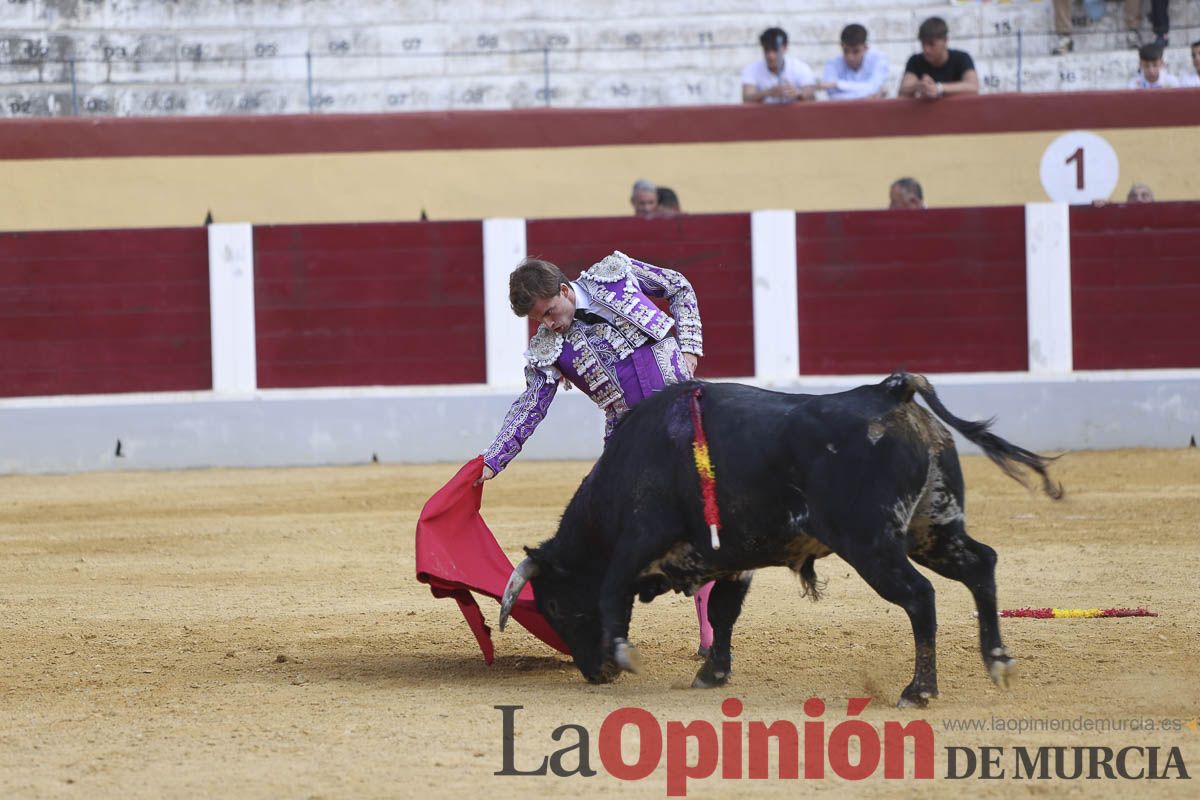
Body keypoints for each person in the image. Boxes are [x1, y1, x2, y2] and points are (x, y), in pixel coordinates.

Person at [477, 252, 715, 656]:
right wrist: (492, 459)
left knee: (705, 518)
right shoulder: (547, 349)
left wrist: (690, 346)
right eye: (540, 319)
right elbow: (531, 405)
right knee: (612, 535)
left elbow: (678, 285)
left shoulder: (616, 274)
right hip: (628, 442)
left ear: (565, 290)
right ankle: (606, 633)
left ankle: (710, 639)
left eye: (551, 310)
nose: (550, 323)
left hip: (685, 416)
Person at [899, 17, 979, 100]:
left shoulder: (962, 58)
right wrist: (920, 85)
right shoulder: (915, 60)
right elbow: (903, 90)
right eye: (923, 44)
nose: (926, 49)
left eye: (931, 44)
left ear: (945, 41)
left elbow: (973, 87)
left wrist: (939, 88)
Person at [741, 27, 816, 104]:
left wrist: (798, 94)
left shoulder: (800, 68)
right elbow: (746, 99)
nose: (771, 56)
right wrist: (768, 93)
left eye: (775, 50)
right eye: (767, 50)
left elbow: (811, 98)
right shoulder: (751, 69)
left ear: (786, 48)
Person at [819, 23, 889, 99]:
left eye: (856, 51)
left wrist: (837, 84)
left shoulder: (879, 59)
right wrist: (867, 95)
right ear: (841, 46)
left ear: (866, 48)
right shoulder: (832, 63)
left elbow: (874, 87)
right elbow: (833, 96)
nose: (850, 57)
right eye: (846, 51)